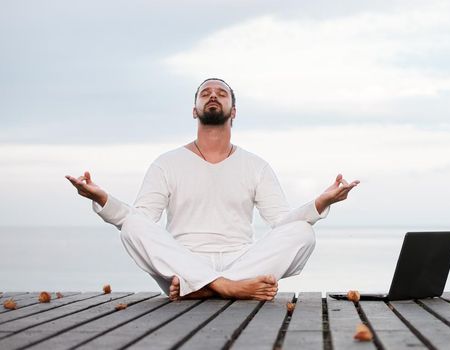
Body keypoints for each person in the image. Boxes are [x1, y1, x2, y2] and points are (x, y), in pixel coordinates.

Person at [65, 78, 359, 301]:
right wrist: (103, 199)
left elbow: (282, 224)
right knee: (131, 226)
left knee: (303, 232)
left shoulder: (256, 166)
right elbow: (143, 219)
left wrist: (320, 203)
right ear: (195, 111)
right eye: (206, 94)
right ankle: (226, 287)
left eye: (221, 93)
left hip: (240, 262)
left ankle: (205, 288)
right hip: (182, 262)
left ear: (234, 111)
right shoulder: (166, 163)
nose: (213, 96)